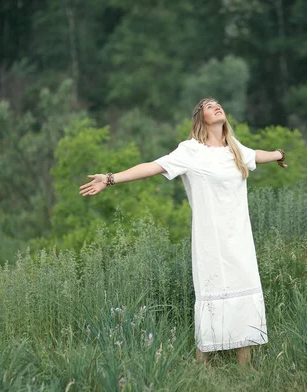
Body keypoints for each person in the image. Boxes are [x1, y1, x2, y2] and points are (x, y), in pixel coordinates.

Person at [79, 98, 287, 367]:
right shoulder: (191, 151)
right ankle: (202, 369)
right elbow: (152, 167)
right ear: (200, 118)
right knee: (211, 297)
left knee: (244, 294)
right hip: (210, 241)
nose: (216, 106)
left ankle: (244, 371)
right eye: (208, 105)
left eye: (218, 103)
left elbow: (257, 155)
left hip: (240, 239)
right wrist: (110, 178)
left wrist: (279, 154)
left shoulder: (234, 148)